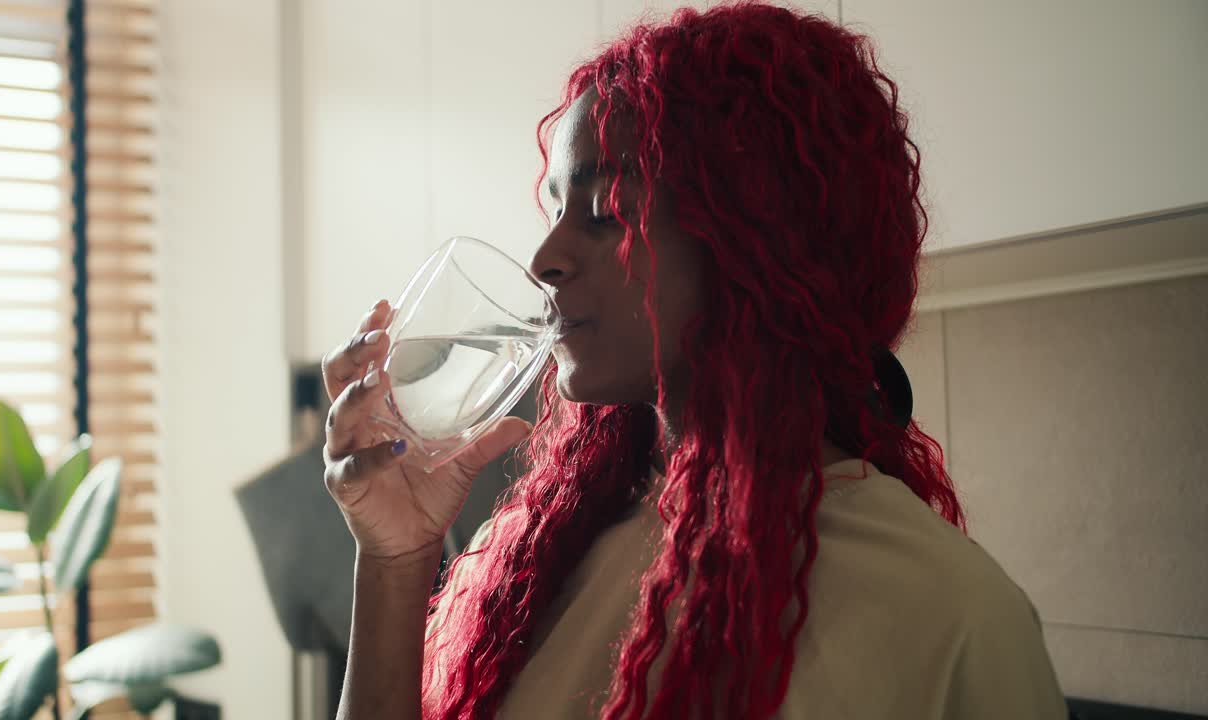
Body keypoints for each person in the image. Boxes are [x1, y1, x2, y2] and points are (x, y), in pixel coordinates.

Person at [320, 3, 1067, 718]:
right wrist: (391, 562)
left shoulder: (949, 615)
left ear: (759, 242)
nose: (544, 259)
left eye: (608, 210)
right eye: (554, 211)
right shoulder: (531, 555)